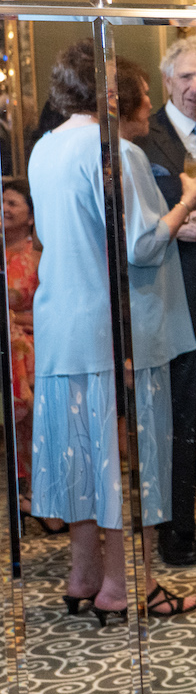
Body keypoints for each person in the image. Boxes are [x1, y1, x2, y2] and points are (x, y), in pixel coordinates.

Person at [30, 43, 196, 624]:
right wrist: (189, 199)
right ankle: (132, 584)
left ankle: (85, 574)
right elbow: (141, 243)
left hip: (61, 320)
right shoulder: (116, 149)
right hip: (114, 327)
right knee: (125, 459)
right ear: (111, 92)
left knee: (82, 456)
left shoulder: (45, 147)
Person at [134, 34, 196, 566]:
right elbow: (137, 223)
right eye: (188, 77)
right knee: (180, 421)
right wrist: (183, 225)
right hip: (174, 298)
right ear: (168, 81)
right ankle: (177, 535)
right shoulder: (145, 142)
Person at [5, 178, 40, 509]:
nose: (4, 208)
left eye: (13, 203)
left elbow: (20, 297)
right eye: (1, 201)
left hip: (33, 341)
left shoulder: (35, 255)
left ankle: (35, 493)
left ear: (31, 216)